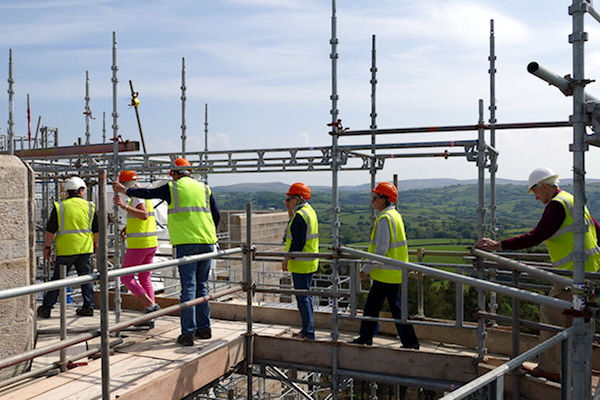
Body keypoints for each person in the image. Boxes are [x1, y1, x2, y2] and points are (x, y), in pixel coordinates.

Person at [476, 167, 600, 382]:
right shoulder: (572, 200)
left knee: (551, 313)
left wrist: (499, 245)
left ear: (545, 186)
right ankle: (575, 366)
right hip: (589, 272)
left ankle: (551, 369)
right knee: (576, 319)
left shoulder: (556, 205)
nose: (535, 197)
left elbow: (536, 237)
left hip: (572, 276)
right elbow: (597, 229)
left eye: (535, 191)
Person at [113, 158, 220, 346]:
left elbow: (147, 193)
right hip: (208, 241)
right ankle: (204, 329)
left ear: (174, 173)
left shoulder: (173, 187)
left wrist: (125, 191)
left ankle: (187, 333)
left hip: (186, 242)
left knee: (188, 287)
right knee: (202, 287)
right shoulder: (204, 188)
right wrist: (208, 233)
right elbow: (216, 215)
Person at [350, 182, 420, 349]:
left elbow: (381, 249)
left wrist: (365, 269)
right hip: (394, 271)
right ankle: (407, 342)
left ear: (385, 199)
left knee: (376, 308)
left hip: (385, 272)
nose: (372, 202)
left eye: (375, 198)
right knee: (386, 308)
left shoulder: (384, 219)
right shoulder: (395, 215)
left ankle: (369, 338)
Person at [37, 176, 98, 318]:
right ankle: (88, 307)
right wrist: (95, 244)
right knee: (86, 278)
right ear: (81, 190)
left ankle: (46, 308)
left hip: (66, 250)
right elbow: (96, 230)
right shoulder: (90, 206)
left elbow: (50, 231)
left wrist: (47, 248)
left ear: (68, 191)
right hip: (85, 249)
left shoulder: (60, 207)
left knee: (58, 281)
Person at [113, 170, 160, 327]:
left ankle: (150, 306)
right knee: (144, 277)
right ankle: (150, 316)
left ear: (125, 185)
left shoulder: (136, 197)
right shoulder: (145, 196)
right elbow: (143, 218)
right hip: (150, 241)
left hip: (139, 244)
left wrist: (124, 206)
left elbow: (143, 215)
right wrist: (128, 227)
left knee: (126, 277)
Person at [282, 183, 319, 340]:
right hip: (310, 261)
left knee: (302, 298)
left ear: (298, 198)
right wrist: (290, 211)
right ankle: (308, 329)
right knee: (306, 297)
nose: (287, 201)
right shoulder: (309, 212)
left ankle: (308, 332)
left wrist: (286, 259)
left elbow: (297, 242)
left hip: (301, 263)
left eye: (289, 199)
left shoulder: (300, 216)